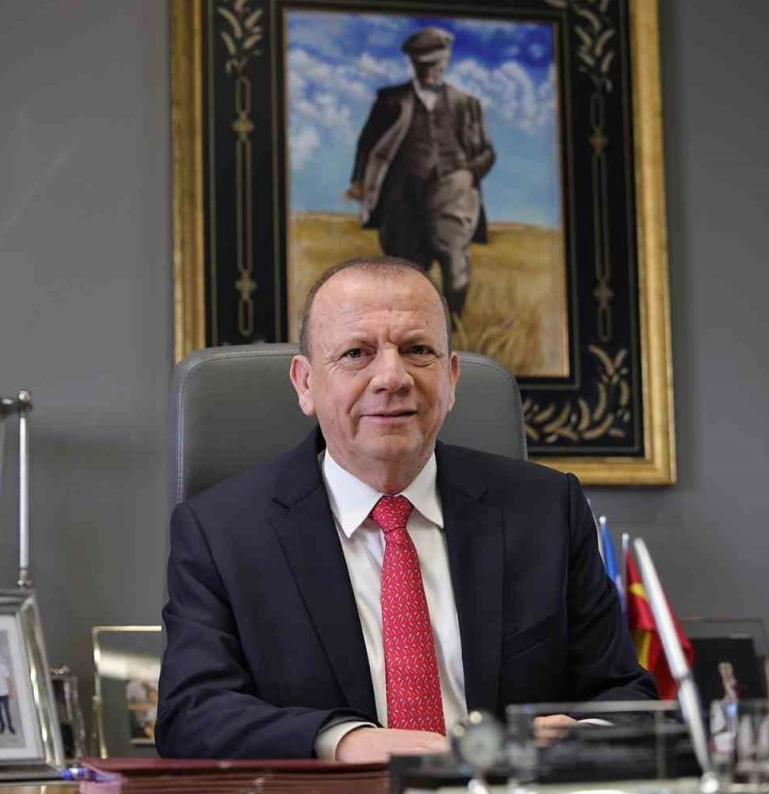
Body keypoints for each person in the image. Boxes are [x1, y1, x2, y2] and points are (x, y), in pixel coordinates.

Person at [157, 256, 655, 762]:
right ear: (305, 384)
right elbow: (192, 713)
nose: (392, 377)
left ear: (451, 377)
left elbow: (626, 697)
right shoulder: (221, 531)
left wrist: (583, 735)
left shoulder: (547, 510)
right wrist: (344, 742)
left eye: (417, 350)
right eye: (357, 353)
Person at [344, 28, 496, 324]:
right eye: (425, 65)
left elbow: (487, 153)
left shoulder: (467, 104)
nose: (432, 71)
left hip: (452, 199)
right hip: (403, 203)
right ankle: (414, 332)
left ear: (446, 62)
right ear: (413, 64)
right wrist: (359, 181)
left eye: (438, 65)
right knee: (407, 271)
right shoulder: (390, 100)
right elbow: (367, 144)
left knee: (455, 263)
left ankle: (455, 329)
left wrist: (467, 174)